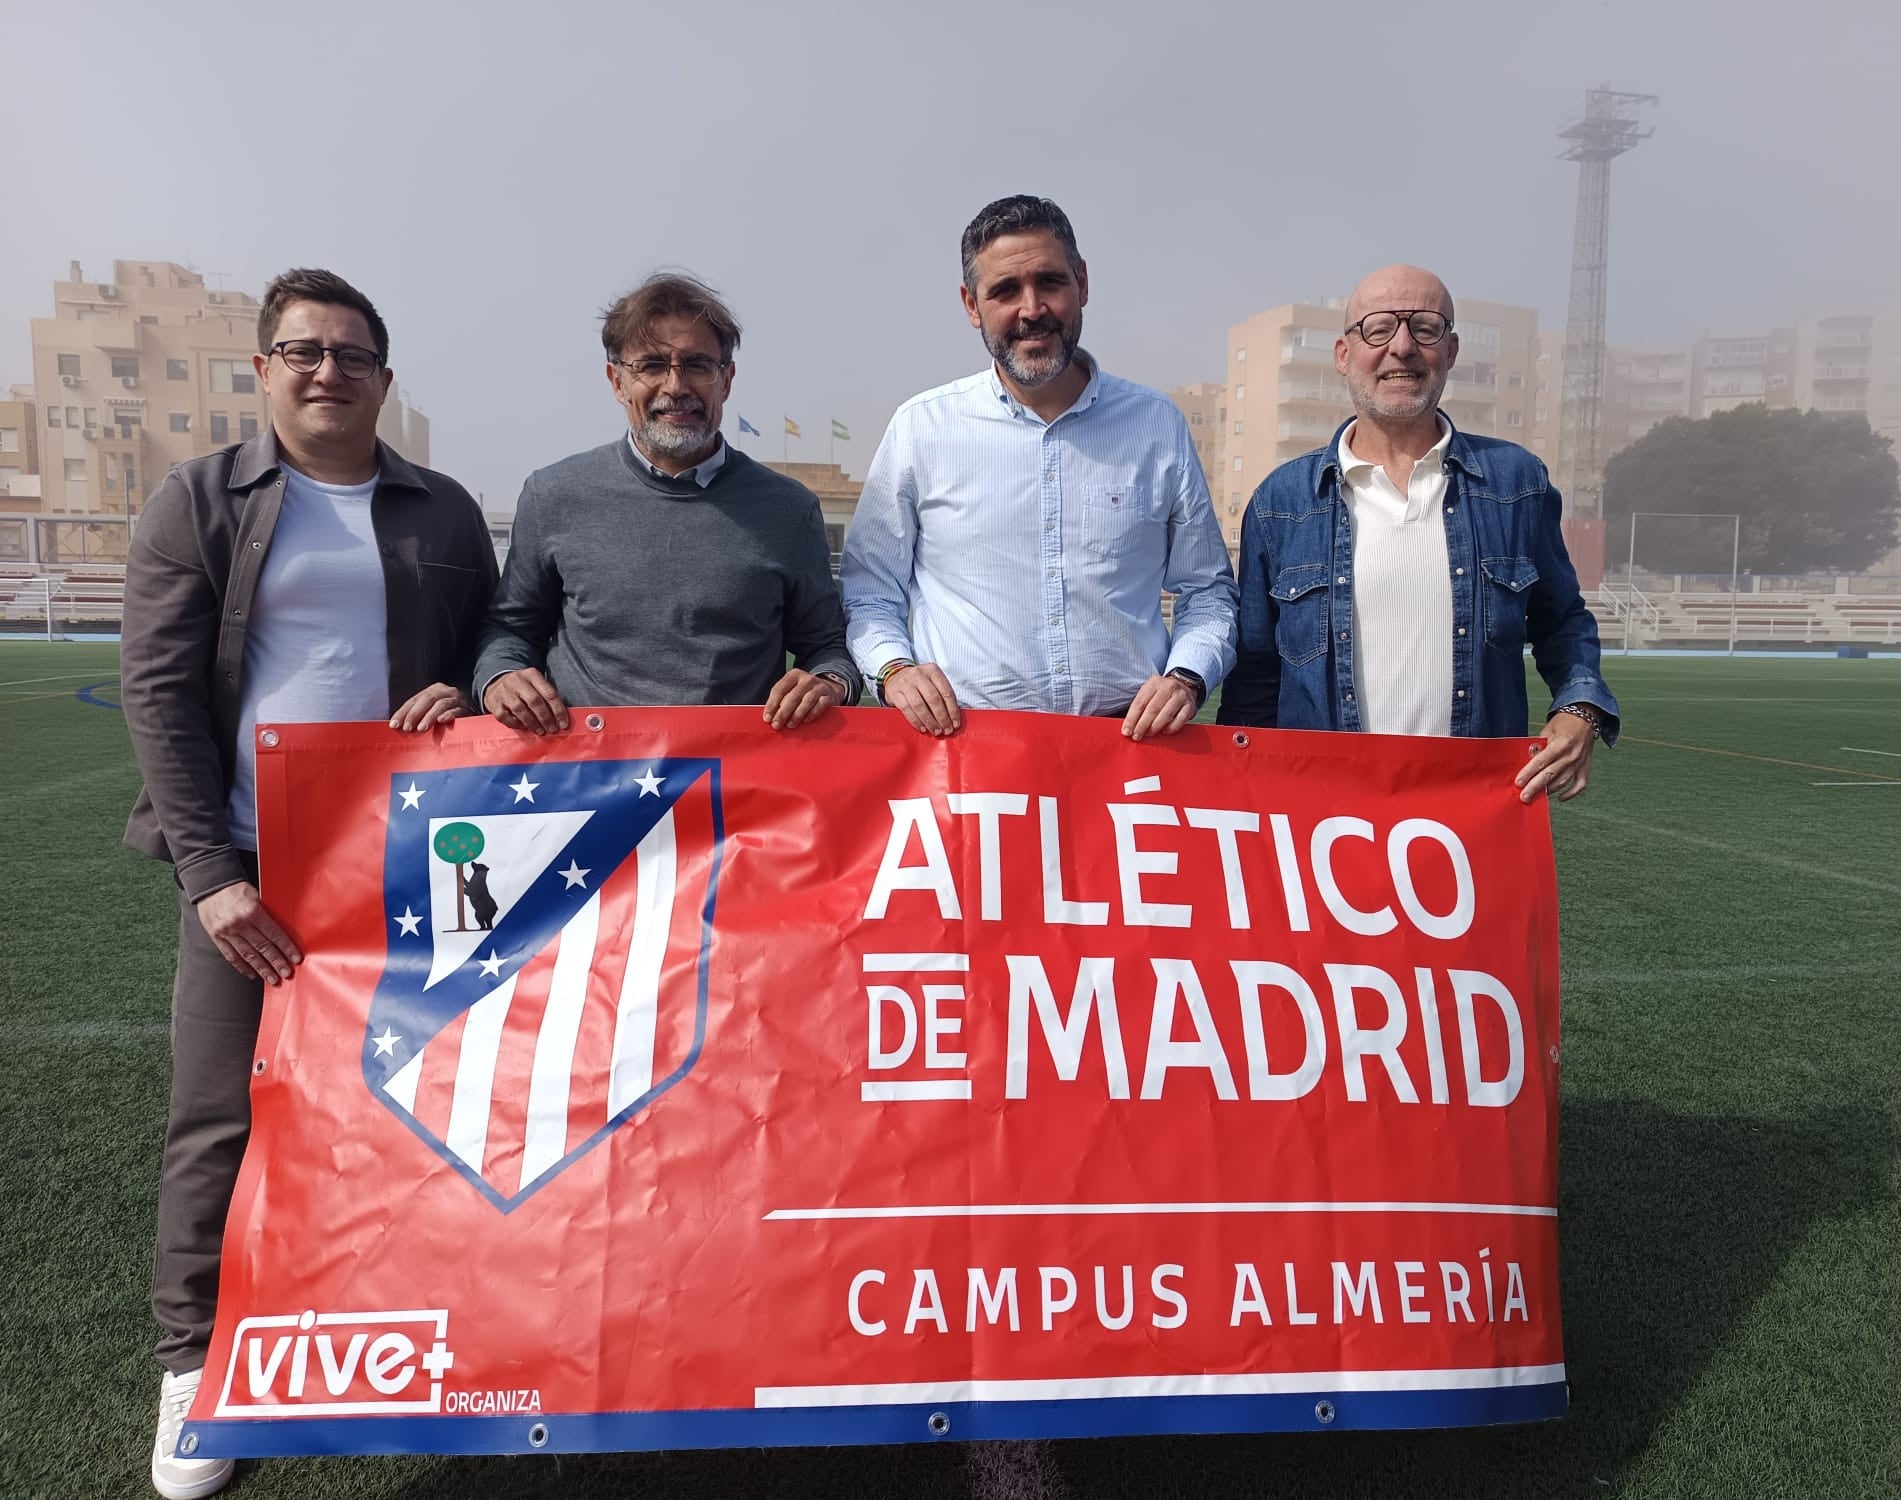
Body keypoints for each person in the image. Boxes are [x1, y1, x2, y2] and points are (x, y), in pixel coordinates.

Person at [121, 269, 497, 1498]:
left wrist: (473, 690)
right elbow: (160, 696)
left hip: (403, 871)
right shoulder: (199, 499)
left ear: (383, 378)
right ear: (263, 369)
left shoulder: (440, 511)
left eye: (350, 354)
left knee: (415, 1106)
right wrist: (211, 874)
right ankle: (194, 1360)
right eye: (301, 350)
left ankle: (389, 1325)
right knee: (219, 1116)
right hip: (250, 870)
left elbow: (494, 653)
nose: (326, 370)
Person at [840, 194, 1236, 741]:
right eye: (1004, 290)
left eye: (1049, 282)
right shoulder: (921, 429)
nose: (1031, 310)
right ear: (971, 305)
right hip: (968, 760)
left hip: (1127, 758)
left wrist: (1187, 678)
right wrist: (894, 670)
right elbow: (869, 591)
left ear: (1083, 285)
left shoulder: (1155, 425)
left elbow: (1207, 591)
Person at [1217, 264, 1619, 800]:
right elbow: (1255, 681)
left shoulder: (1516, 483)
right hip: (1319, 813)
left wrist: (1580, 708)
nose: (1402, 347)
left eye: (1425, 328)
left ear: (1450, 352)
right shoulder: (1282, 502)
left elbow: (1563, 621)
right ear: (1343, 354)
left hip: (1471, 814)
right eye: (1378, 328)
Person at [474, 272, 860, 730]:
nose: (675, 386)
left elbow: (828, 645)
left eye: (697, 365)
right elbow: (509, 630)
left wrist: (828, 681)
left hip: (737, 783)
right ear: (617, 382)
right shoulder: (553, 495)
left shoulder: (788, 509)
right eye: (652, 366)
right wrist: (501, 677)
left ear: (727, 379)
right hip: (591, 780)